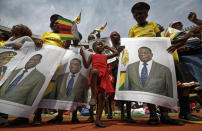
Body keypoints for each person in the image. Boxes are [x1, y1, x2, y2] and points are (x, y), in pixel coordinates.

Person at [128, 2, 183, 125]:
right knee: (147, 87)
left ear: (146, 13)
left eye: (141, 13)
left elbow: (160, 41)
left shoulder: (153, 25)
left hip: (157, 59)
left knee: (161, 86)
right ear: (133, 16)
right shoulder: (133, 29)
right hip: (142, 62)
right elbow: (129, 46)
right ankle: (153, 115)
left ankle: (165, 115)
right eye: (136, 15)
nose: (139, 16)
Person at [168, 20, 202, 124]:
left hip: (198, 56)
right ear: (171, 27)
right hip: (185, 59)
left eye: (180, 23)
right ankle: (184, 113)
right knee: (191, 85)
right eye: (175, 24)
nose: (179, 25)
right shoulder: (170, 34)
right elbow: (170, 46)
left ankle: (185, 113)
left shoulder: (190, 35)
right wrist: (180, 47)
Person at [80, 41, 118, 127]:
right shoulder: (92, 55)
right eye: (98, 44)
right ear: (93, 48)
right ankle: (93, 95)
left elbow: (116, 53)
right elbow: (86, 66)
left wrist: (107, 47)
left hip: (103, 78)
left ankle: (98, 119)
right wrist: (83, 56)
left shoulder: (105, 56)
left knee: (102, 98)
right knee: (94, 70)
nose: (101, 45)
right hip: (95, 77)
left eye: (101, 44)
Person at [46, 58, 88, 124]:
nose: (72, 66)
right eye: (71, 64)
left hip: (76, 100)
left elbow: (84, 95)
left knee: (76, 95)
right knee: (61, 93)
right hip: (61, 99)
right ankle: (59, 116)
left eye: (76, 64)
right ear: (69, 66)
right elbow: (55, 93)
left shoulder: (84, 79)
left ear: (80, 67)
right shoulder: (60, 77)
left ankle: (74, 117)